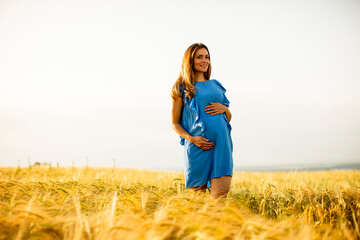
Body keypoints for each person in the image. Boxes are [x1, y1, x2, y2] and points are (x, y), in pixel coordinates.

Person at [171, 43, 233, 199]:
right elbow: (175, 123)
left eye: (207, 57)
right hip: (198, 147)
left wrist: (225, 109)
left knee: (219, 201)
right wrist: (193, 139)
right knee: (196, 205)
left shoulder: (216, 85)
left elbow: (228, 120)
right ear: (190, 60)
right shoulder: (182, 87)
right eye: (199, 57)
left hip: (222, 146)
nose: (204, 60)